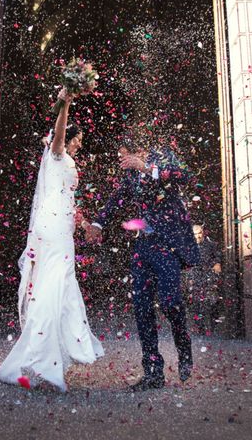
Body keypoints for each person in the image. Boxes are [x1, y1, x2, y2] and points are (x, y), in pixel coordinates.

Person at [0, 89, 104, 392]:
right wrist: (65, 105)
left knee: (62, 282)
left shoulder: (65, 160)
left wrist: (83, 225)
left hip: (62, 226)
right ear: (67, 136)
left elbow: (69, 198)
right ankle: (45, 359)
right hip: (51, 227)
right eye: (77, 137)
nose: (81, 141)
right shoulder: (56, 153)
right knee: (53, 284)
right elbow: (58, 134)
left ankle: (55, 355)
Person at [87, 136, 200, 391]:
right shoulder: (129, 177)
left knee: (171, 303)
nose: (121, 161)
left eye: (124, 155)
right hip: (144, 246)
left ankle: (185, 350)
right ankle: (153, 373)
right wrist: (97, 223)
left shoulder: (161, 159)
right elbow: (116, 200)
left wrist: (146, 168)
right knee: (142, 308)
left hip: (168, 245)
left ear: (138, 151)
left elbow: (185, 176)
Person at [185, 224, 222, 334]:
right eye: (195, 234)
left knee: (212, 301)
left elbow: (217, 256)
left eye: (199, 233)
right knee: (196, 302)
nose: (198, 236)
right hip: (195, 275)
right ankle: (199, 326)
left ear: (203, 233)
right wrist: (190, 277)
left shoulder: (211, 245)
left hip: (209, 274)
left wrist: (217, 263)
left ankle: (212, 324)